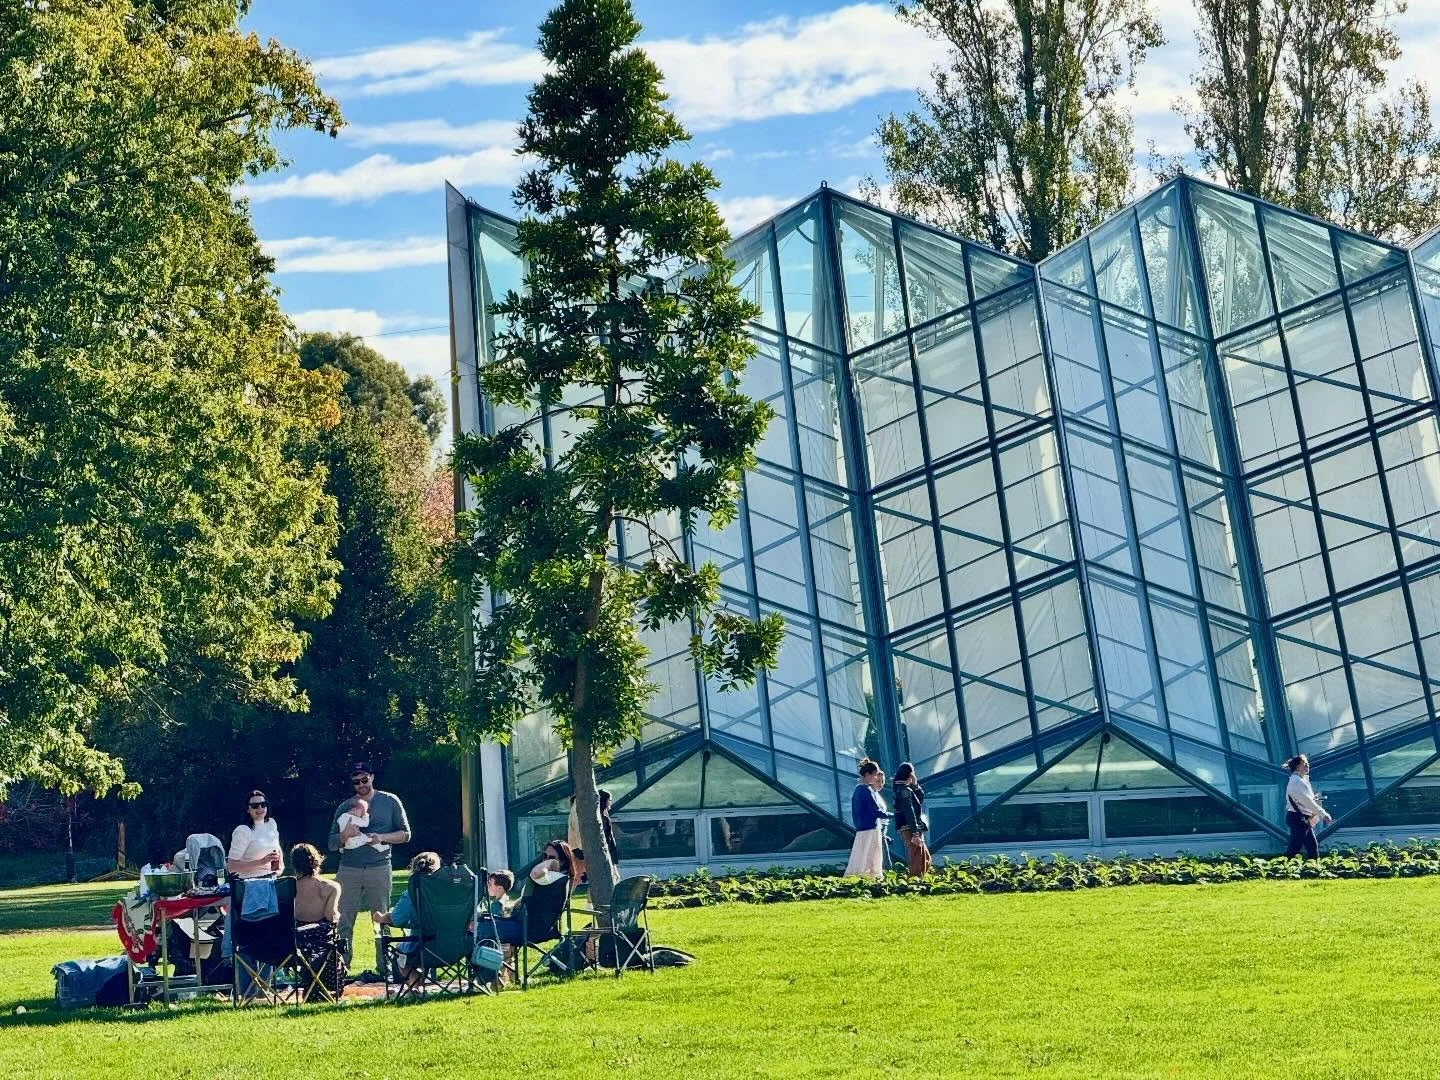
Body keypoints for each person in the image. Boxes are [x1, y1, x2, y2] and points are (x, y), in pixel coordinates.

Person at [328, 762, 412, 976]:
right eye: (356, 782)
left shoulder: (390, 801)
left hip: (380, 866)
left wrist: (381, 837)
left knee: (381, 918)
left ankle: (385, 969)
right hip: (349, 868)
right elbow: (330, 843)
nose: (361, 785)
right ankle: (341, 971)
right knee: (344, 920)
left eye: (364, 780)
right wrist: (344, 835)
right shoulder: (345, 806)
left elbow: (406, 834)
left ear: (372, 777)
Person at [371, 851, 440, 990]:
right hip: (457, 947)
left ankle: (415, 984)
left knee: (399, 953)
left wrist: (379, 917)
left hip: (424, 946)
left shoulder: (412, 893)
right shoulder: (452, 890)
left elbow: (397, 919)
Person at [291, 843, 343, 999]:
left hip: (294, 941)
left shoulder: (287, 886)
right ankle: (325, 987)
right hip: (320, 941)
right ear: (317, 861)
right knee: (332, 938)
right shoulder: (331, 887)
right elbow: (330, 916)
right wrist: (338, 915)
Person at [844, 759, 889, 880]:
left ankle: (860, 877)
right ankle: (868, 877)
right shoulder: (865, 790)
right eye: (874, 775)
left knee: (862, 854)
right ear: (867, 775)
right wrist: (892, 815)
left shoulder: (860, 790)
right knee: (870, 856)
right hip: (870, 828)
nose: (876, 778)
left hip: (864, 827)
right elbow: (875, 810)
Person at [1284, 754, 1331, 859]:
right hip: (1298, 818)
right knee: (1297, 847)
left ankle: (1314, 869)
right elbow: (1307, 801)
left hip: (1299, 818)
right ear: (1297, 766)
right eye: (1304, 764)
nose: (1307, 765)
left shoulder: (1300, 780)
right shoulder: (1297, 781)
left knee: (1309, 846)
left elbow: (1305, 800)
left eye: (1307, 763)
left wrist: (1313, 799)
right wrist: (1323, 814)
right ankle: (1279, 870)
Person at [227, 790, 282, 879]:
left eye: (263, 804)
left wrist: (280, 869)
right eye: (255, 806)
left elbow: (278, 850)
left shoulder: (271, 823)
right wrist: (261, 861)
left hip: (273, 879)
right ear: (248, 809)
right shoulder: (243, 830)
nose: (260, 808)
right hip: (251, 883)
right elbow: (231, 867)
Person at [891, 762, 931, 878]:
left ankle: (918, 879)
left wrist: (915, 785)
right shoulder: (903, 790)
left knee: (924, 857)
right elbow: (909, 812)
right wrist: (915, 833)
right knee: (917, 857)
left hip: (910, 826)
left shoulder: (902, 787)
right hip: (910, 827)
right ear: (909, 775)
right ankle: (915, 881)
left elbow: (919, 799)